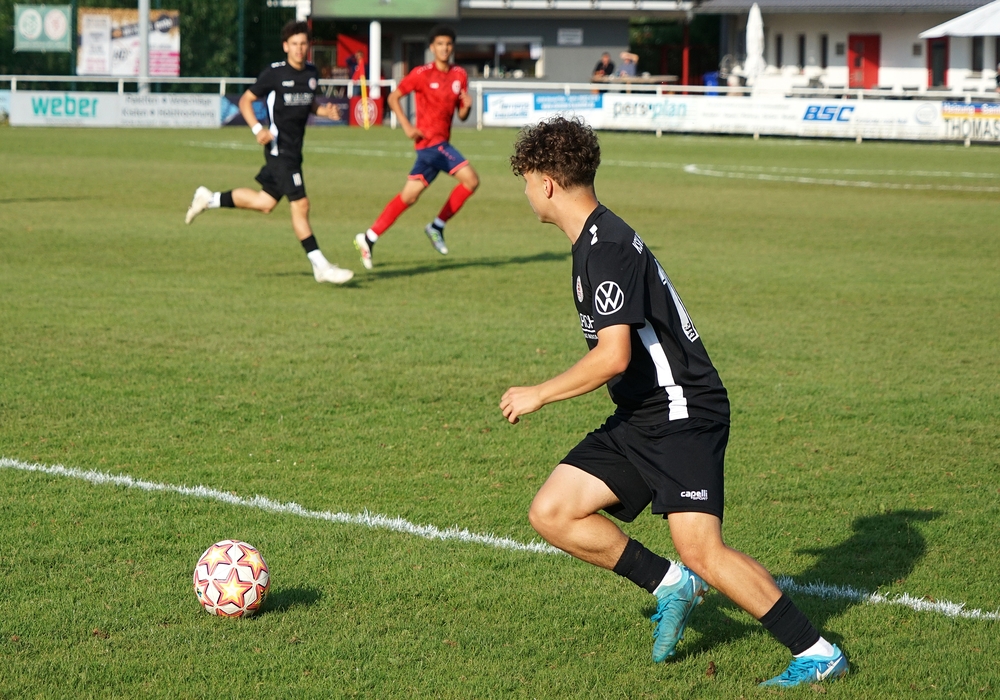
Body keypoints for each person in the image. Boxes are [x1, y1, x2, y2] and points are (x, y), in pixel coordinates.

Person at [501, 117, 848, 688]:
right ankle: (671, 586)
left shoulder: (606, 248)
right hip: (644, 413)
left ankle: (818, 652)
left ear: (546, 183)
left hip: (681, 411)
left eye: (525, 182)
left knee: (703, 550)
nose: (525, 194)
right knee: (554, 511)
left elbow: (613, 356)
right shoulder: (594, 240)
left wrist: (539, 393)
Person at [184, 20, 353, 285]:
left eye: (303, 44)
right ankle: (321, 266)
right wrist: (256, 129)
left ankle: (209, 199)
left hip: (294, 151)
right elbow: (246, 100)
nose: (299, 48)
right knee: (301, 204)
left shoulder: (311, 72)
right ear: (285, 46)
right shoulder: (275, 74)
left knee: (265, 202)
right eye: (294, 44)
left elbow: (308, 104)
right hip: (278, 149)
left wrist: (324, 111)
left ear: (308, 46)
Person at [353, 25, 479, 270]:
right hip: (430, 144)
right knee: (471, 180)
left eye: (448, 44)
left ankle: (368, 237)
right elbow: (393, 98)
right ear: (432, 47)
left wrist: (467, 106)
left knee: (409, 196)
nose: (444, 48)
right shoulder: (421, 74)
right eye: (439, 44)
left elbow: (462, 115)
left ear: (453, 47)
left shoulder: (459, 75)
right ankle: (437, 226)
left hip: (440, 144)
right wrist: (407, 126)